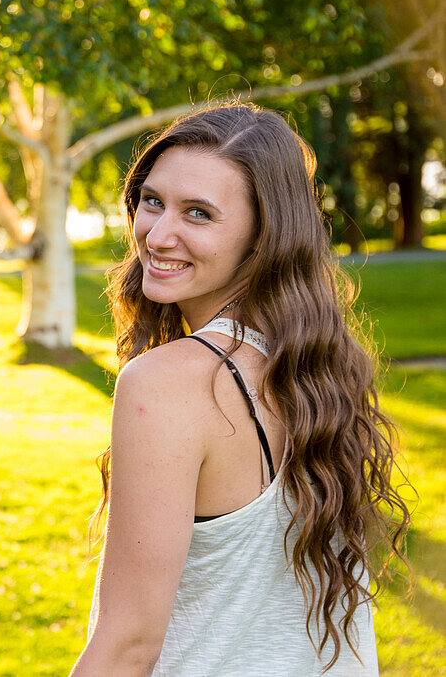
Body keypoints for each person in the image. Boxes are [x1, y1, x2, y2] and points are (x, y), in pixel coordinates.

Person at [71, 103, 410, 676]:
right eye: (152, 202)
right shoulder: (321, 367)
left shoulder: (168, 382)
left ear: (263, 236)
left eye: (198, 214)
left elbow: (127, 644)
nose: (159, 234)